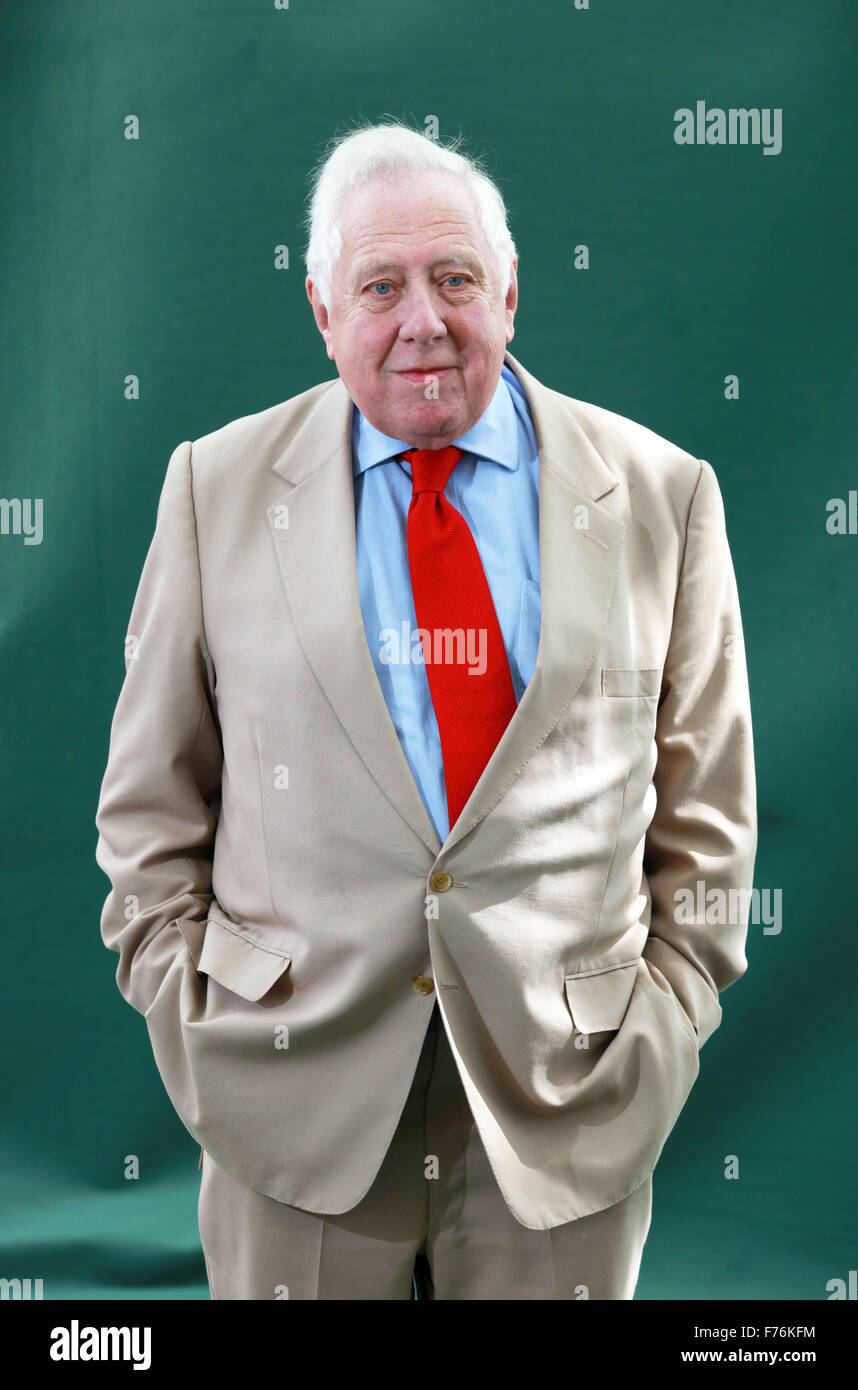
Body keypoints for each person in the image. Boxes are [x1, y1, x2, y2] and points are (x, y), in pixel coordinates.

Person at [95, 119, 758, 1300]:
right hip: (289, 1102)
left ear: (508, 292)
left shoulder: (662, 494)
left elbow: (707, 812)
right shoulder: (214, 487)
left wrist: (668, 1015)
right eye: (379, 286)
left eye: (455, 279)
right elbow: (149, 803)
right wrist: (190, 1016)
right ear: (320, 311)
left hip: (567, 1106)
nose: (423, 320)